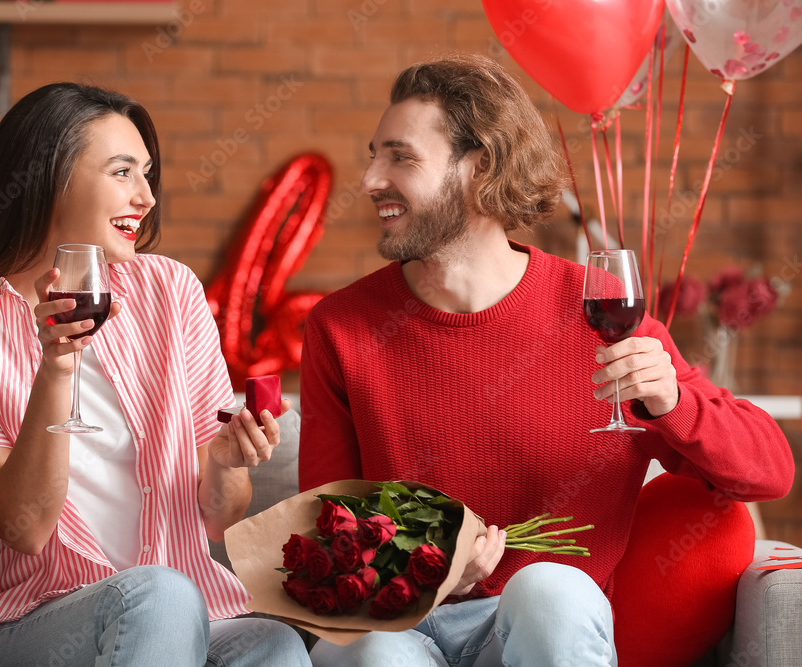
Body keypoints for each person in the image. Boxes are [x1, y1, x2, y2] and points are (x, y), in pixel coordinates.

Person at [298, 55, 794, 666]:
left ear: (479, 166)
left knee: (548, 587)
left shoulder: (599, 307)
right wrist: (436, 575)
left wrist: (674, 402)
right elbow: (327, 538)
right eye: (374, 155)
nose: (372, 178)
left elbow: (768, 472)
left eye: (400, 157)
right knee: (377, 655)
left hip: (535, 630)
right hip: (398, 624)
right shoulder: (340, 327)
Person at [0, 83, 311, 666]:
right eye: (122, 172)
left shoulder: (170, 291)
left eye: (147, 174)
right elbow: (24, 528)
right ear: (47, 177)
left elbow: (220, 518)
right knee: (160, 594)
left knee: (273, 645)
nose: (145, 197)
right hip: (32, 625)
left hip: (183, 611)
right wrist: (56, 367)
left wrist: (223, 462)